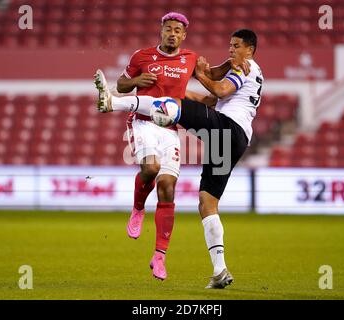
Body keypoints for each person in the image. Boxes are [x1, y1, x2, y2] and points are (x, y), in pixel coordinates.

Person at [95, 29, 263, 288]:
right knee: (207, 202)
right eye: (230, 45)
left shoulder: (245, 66)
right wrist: (203, 77)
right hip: (235, 140)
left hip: (227, 127)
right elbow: (210, 97)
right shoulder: (244, 69)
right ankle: (220, 271)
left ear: (250, 50)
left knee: (171, 105)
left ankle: (113, 104)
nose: (231, 49)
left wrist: (202, 75)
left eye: (237, 45)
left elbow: (218, 90)